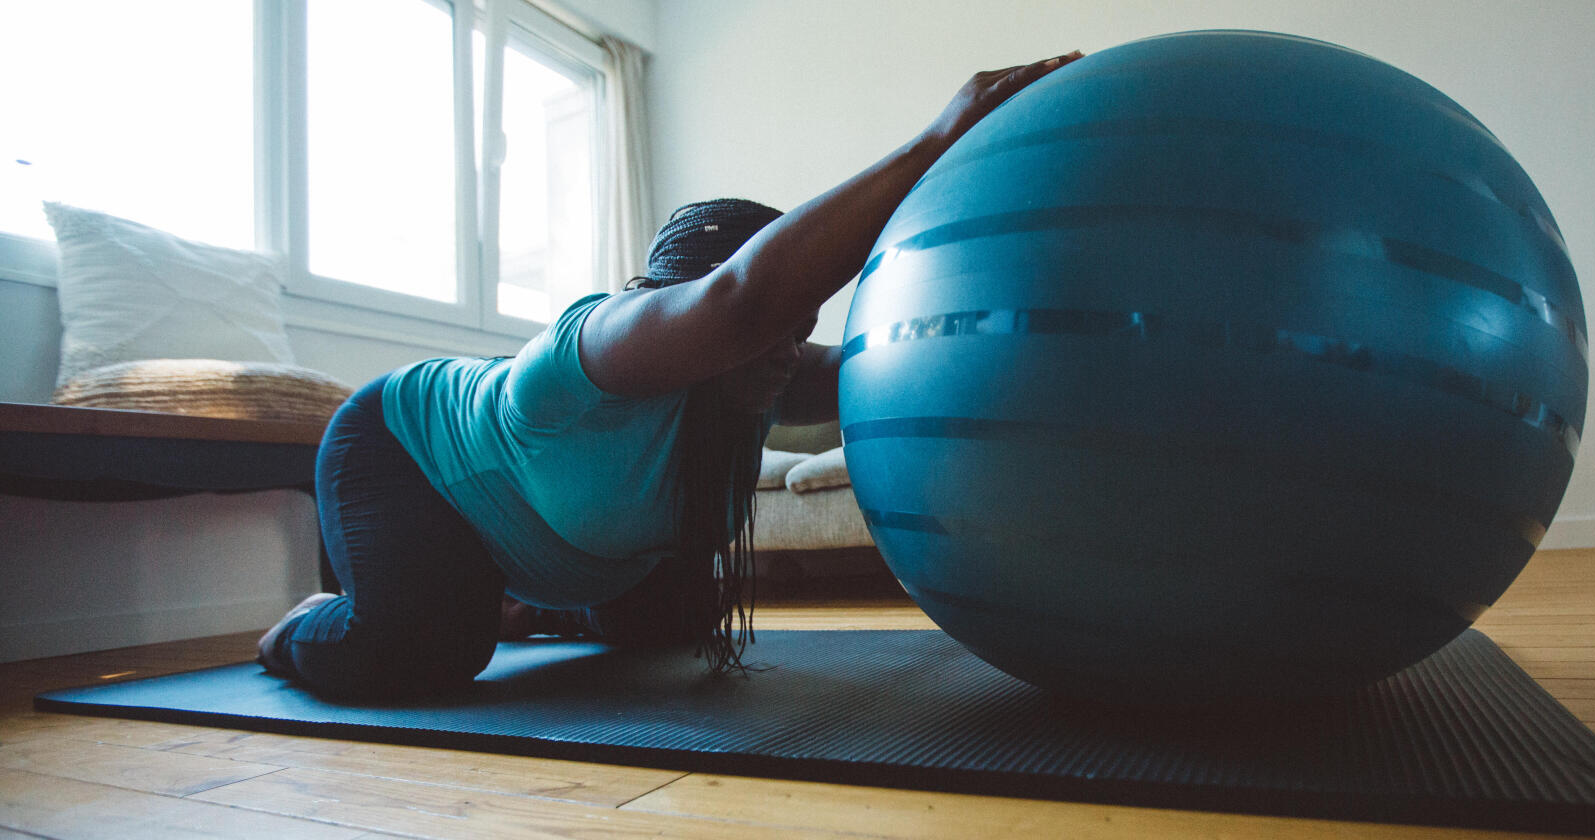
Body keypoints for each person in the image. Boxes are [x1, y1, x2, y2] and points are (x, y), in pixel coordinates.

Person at [257, 49, 1084, 700]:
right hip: (399, 457)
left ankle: (506, 604)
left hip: (545, 546)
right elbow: (743, 303)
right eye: (773, 331)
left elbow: (907, 365)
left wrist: (1047, 339)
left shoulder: (765, 368)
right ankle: (303, 624)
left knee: (676, 623)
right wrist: (941, 137)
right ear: (680, 313)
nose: (787, 352)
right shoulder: (586, 359)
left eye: (799, 333)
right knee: (428, 657)